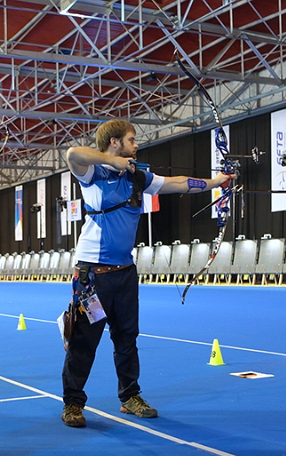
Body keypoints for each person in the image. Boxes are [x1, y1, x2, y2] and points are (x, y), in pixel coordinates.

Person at [60, 119, 233, 428]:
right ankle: (73, 403)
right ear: (114, 142)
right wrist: (112, 161)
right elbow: (73, 153)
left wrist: (215, 182)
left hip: (125, 273)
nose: (136, 144)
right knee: (84, 340)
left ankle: (130, 396)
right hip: (93, 277)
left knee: (127, 338)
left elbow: (177, 183)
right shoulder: (93, 173)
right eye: (131, 139)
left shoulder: (137, 177)